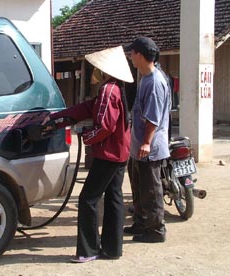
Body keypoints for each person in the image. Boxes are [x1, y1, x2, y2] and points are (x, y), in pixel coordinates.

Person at [42, 46, 134, 262]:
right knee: (114, 198)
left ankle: (88, 250)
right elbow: (87, 108)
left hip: (108, 154)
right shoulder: (117, 88)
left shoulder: (108, 90)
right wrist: (60, 116)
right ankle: (112, 249)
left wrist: (86, 137)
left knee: (88, 199)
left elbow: (104, 126)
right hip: (120, 152)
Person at [123, 37, 171, 243]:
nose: (130, 57)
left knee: (151, 190)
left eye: (132, 53)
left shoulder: (154, 81)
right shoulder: (145, 77)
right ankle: (141, 223)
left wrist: (145, 142)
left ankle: (156, 230)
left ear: (140, 55)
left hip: (149, 147)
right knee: (139, 187)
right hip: (139, 145)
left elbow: (153, 117)